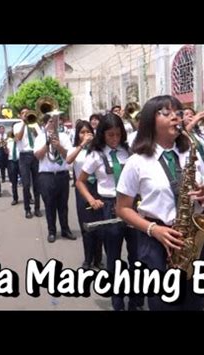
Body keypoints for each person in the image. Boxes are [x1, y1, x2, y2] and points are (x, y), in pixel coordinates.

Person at [116, 95, 204, 310]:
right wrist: (154, 230)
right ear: (150, 120)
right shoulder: (136, 162)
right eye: (166, 113)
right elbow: (122, 208)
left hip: (192, 237)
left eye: (178, 113)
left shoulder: (190, 154)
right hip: (157, 241)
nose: (175, 118)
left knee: (195, 304)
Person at [76, 113, 141, 311]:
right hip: (109, 208)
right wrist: (91, 199)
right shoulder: (95, 155)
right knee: (113, 258)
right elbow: (80, 181)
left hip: (132, 207)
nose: (114, 139)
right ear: (102, 134)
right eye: (110, 135)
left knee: (136, 256)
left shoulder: (129, 153)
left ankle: (136, 301)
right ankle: (118, 302)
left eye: (118, 135)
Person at [66, 120, 104, 268]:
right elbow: (68, 160)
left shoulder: (98, 150)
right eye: (82, 132)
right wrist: (82, 145)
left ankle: (98, 258)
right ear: (78, 135)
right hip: (83, 188)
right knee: (86, 225)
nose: (86, 135)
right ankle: (88, 259)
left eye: (88, 132)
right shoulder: (75, 149)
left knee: (99, 224)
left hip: (98, 188)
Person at [34, 114, 74, 242]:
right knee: (49, 205)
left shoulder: (64, 137)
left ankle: (65, 229)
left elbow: (69, 155)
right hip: (46, 176)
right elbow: (38, 156)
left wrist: (58, 146)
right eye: (50, 121)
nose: (53, 123)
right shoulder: (40, 137)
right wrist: (47, 144)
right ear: (46, 124)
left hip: (62, 175)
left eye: (55, 121)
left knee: (63, 205)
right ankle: (51, 231)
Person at [13, 106, 42, 219]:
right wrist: (25, 124)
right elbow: (18, 138)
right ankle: (27, 209)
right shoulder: (17, 125)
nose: (25, 114)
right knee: (25, 184)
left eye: (27, 112)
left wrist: (32, 125)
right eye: (23, 113)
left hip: (34, 154)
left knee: (37, 184)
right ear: (20, 115)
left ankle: (37, 208)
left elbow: (39, 137)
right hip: (24, 156)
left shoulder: (34, 124)